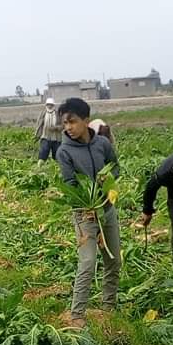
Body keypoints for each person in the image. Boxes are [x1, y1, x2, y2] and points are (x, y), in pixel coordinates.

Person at [56, 98, 121, 327]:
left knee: (114, 260)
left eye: (72, 122)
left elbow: (115, 166)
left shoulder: (102, 143)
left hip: (107, 209)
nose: (68, 127)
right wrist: (86, 205)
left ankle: (108, 307)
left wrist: (108, 183)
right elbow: (70, 184)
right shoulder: (64, 151)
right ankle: (77, 315)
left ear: (86, 120)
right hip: (84, 214)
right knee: (88, 262)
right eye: (65, 123)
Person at [35, 98, 63, 163]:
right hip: (45, 137)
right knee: (43, 152)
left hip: (56, 138)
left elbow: (63, 125)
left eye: (51, 105)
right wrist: (37, 135)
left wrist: (56, 128)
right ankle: (40, 165)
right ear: (46, 105)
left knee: (56, 154)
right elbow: (39, 125)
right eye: (48, 105)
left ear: (53, 105)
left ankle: (56, 165)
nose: (49, 106)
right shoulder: (43, 114)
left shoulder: (58, 114)